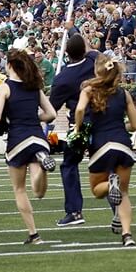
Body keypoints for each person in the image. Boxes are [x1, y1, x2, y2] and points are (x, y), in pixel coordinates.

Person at [0, 49, 57, 244]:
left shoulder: (5, 87)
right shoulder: (35, 87)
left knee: (19, 189)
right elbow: (51, 114)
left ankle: (34, 233)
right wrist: (33, 117)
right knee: (39, 192)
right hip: (38, 138)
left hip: (18, 139)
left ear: (9, 66)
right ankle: (42, 167)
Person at [73, 56, 136, 247]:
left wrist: (78, 128)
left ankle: (111, 186)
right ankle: (127, 234)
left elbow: (79, 110)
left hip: (101, 144)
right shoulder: (124, 94)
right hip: (123, 144)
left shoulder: (89, 90)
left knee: (97, 189)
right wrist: (119, 126)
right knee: (124, 193)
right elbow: (135, 125)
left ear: (97, 71)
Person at [48, 31, 98, 227]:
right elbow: (91, 50)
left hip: (78, 125)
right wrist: (73, 30)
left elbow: (51, 109)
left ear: (67, 53)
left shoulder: (63, 78)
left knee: (69, 165)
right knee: (106, 167)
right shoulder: (94, 60)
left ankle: (75, 211)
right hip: (103, 121)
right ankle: (118, 212)